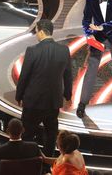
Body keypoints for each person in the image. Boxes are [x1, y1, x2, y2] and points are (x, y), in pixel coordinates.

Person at [15, 19, 72, 158]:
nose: (36, 35)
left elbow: (24, 76)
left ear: (41, 31)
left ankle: (27, 160)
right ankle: (48, 162)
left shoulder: (32, 50)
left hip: (33, 102)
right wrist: (68, 95)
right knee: (51, 135)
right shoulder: (64, 50)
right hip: (53, 102)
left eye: (36, 32)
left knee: (27, 134)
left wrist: (19, 95)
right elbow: (68, 75)